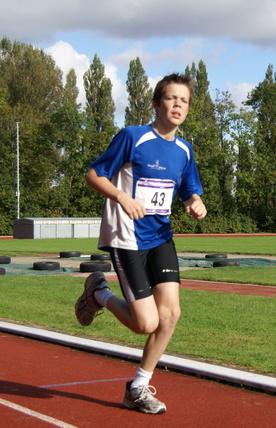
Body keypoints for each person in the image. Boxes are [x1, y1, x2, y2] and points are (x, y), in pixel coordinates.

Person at [75, 73, 207, 415]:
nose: (178, 105)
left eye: (184, 100)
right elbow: (94, 174)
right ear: (156, 103)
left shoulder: (184, 149)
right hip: (127, 236)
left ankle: (137, 387)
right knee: (146, 323)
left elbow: (189, 188)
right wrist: (121, 196)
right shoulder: (133, 136)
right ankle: (98, 294)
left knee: (171, 314)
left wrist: (195, 202)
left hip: (161, 235)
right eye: (171, 98)